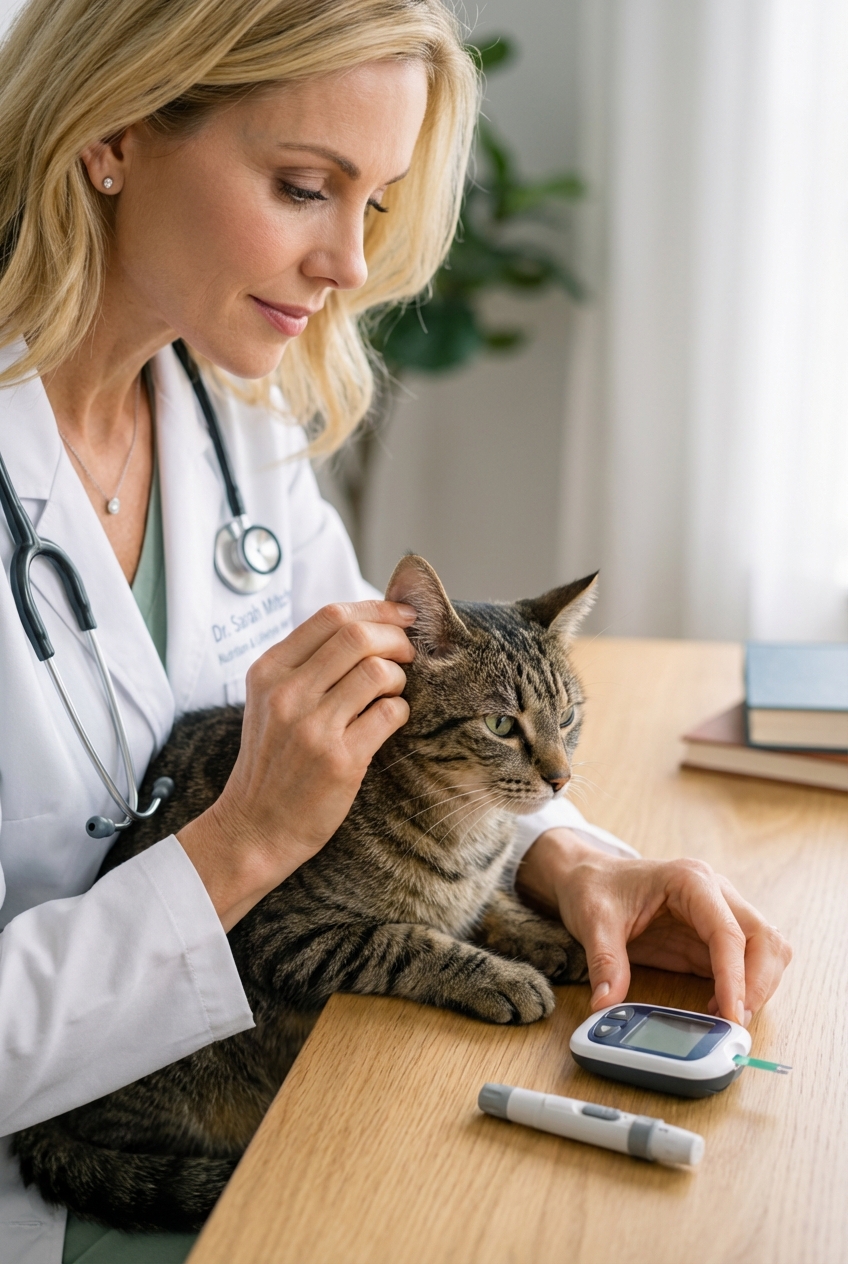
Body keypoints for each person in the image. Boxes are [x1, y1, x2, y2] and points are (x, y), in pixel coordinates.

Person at [0, 1, 792, 1260]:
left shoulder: (231, 421)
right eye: (304, 186)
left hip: (268, 1098)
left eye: (372, 204)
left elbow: (405, 711)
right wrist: (239, 842)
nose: (352, 267)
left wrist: (574, 862)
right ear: (112, 135)